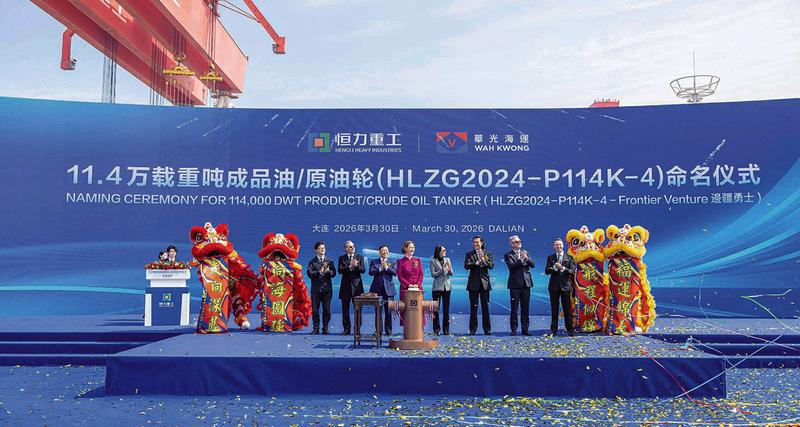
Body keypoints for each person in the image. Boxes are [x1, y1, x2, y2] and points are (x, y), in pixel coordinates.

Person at [545, 238, 576, 336]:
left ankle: (569, 329)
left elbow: (573, 271)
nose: (558, 246)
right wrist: (554, 268)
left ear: (563, 246)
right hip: (553, 287)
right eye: (556, 245)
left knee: (567, 309)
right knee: (554, 309)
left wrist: (563, 268)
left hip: (565, 286)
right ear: (554, 246)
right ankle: (553, 330)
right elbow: (547, 271)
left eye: (560, 244)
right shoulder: (550, 257)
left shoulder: (569, 257)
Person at [504, 235, 534, 336]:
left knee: (525, 308)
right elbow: (511, 267)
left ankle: (525, 329)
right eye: (517, 242)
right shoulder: (508, 255)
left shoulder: (526, 252)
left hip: (526, 283)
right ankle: (514, 329)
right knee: (514, 308)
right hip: (515, 284)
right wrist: (520, 260)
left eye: (520, 241)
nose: (519, 243)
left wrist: (526, 258)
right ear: (512, 244)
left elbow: (533, 264)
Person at [464, 235, 494, 335]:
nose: (475, 244)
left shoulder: (488, 253)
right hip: (473, 284)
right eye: (474, 242)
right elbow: (466, 266)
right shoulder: (469, 254)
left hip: (485, 284)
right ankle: (472, 329)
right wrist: (476, 262)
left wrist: (483, 260)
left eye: (477, 242)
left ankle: (487, 329)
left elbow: (491, 266)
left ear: (482, 243)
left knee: (486, 307)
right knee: (473, 307)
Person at [307, 241, 336, 334]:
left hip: (327, 289)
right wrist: (319, 272)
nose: (321, 250)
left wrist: (329, 271)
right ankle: (316, 328)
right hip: (316, 290)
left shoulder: (329, 261)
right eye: (319, 248)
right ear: (316, 250)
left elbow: (334, 273)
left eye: (323, 248)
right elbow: (309, 274)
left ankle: (325, 328)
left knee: (327, 310)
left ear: (325, 249)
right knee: (315, 311)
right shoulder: (312, 262)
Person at [337, 240, 365, 335]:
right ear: (346, 248)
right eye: (350, 247)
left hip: (357, 287)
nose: (352, 248)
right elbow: (340, 270)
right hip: (345, 287)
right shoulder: (342, 258)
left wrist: (356, 266)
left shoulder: (359, 257)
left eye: (353, 246)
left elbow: (363, 270)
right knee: (345, 310)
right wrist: (349, 267)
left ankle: (357, 329)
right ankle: (346, 329)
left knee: (358, 309)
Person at [368, 245, 396, 335]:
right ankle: (378, 331)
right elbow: (371, 272)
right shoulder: (374, 261)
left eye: (386, 250)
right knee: (378, 311)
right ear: (379, 252)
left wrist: (386, 267)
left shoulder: (392, 261)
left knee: (389, 312)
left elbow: (395, 272)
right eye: (383, 250)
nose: (385, 252)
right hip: (377, 290)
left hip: (389, 290)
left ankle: (388, 330)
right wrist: (380, 268)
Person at [396, 240, 424, 326]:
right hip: (405, 289)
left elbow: (421, 274)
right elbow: (400, 276)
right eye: (410, 247)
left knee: (418, 308)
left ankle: (418, 329)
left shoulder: (417, 260)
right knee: (406, 309)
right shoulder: (400, 261)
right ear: (405, 248)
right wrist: (409, 285)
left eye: (413, 247)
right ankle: (407, 328)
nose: (413, 249)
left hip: (417, 289)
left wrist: (417, 285)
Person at [430, 245, 454, 335]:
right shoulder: (433, 261)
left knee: (446, 309)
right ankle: (436, 329)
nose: (445, 252)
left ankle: (446, 329)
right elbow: (433, 274)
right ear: (438, 252)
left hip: (447, 287)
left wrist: (449, 270)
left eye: (445, 250)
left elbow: (452, 273)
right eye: (443, 250)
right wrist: (442, 270)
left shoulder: (447, 259)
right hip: (437, 288)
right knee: (436, 309)